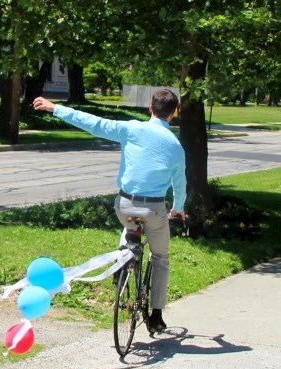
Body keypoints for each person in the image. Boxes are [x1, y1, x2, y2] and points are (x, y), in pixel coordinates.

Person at [32, 89, 187, 334]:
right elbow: (180, 185)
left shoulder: (132, 129)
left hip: (124, 205)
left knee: (129, 225)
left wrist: (55, 108)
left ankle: (121, 263)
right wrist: (178, 209)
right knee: (160, 258)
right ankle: (156, 314)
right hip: (155, 209)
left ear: (150, 108)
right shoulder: (177, 148)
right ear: (175, 113)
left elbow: (94, 123)